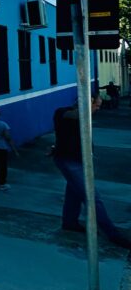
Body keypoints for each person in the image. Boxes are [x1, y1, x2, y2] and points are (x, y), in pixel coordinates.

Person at [52, 95, 131, 248]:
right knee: (93, 197)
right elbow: (73, 115)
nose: (98, 109)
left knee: (73, 193)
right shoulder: (63, 112)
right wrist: (86, 103)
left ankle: (69, 223)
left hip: (77, 161)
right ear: (86, 102)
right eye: (97, 105)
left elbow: (68, 137)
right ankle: (112, 234)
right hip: (69, 162)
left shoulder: (83, 118)